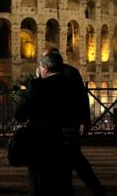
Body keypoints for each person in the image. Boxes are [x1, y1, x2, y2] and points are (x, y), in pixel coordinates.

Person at [38, 48, 105, 196]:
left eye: (45, 59)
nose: (42, 63)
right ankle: (90, 188)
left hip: (69, 125)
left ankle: (94, 188)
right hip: (52, 127)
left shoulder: (70, 72)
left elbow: (82, 97)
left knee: (74, 160)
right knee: (70, 160)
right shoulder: (42, 72)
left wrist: (84, 121)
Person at [17, 51, 76, 196]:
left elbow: (20, 114)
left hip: (40, 141)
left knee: (39, 182)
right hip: (64, 139)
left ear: (45, 68)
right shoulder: (71, 84)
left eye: (41, 67)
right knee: (63, 180)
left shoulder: (37, 85)